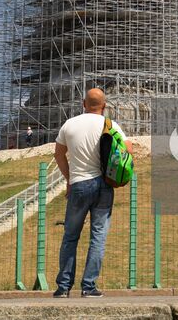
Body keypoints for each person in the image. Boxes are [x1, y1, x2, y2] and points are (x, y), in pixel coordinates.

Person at [52, 87, 121, 297]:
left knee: (70, 236)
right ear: (105, 106)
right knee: (98, 237)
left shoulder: (70, 124)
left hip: (79, 184)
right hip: (104, 185)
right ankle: (88, 286)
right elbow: (127, 149)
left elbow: (58, 154)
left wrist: (69, 179)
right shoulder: (110, 125)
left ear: (83, 104)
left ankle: (63, 287)